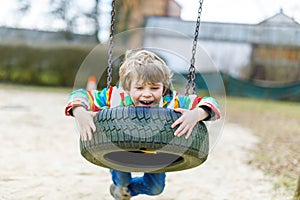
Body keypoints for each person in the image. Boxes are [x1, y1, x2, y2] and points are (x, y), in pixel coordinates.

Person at [65, 49, 221, 199]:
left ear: (164, 87)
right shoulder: (114, 96)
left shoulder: (174, 102)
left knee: (156, 189)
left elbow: (210, 102)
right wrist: (79, 112)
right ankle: (121, 186)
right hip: (119, 150)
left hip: (157, 153)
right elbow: (80, 95)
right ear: (127, 88)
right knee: (123, 180)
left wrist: (197, 114)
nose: (147, 94)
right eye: (139, 88)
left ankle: (127, 192)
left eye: (154, 88)